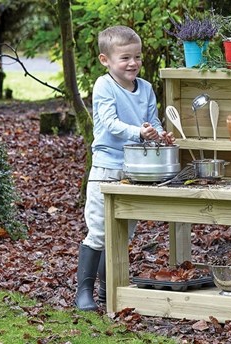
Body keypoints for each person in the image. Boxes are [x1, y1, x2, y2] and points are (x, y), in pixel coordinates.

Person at [75, 25, 175, 311]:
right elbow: (107, 123)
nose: (133, 63)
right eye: (125, 58)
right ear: (105, 60)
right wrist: (138, 133)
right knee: (99, 230)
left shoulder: (145, 88)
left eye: (138, 57)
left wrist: (160, 134)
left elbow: (152, 122)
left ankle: (110, 290)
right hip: (107, 169)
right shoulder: (104, 85)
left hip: (135, 171)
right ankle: (84, 294)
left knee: (123, 233)